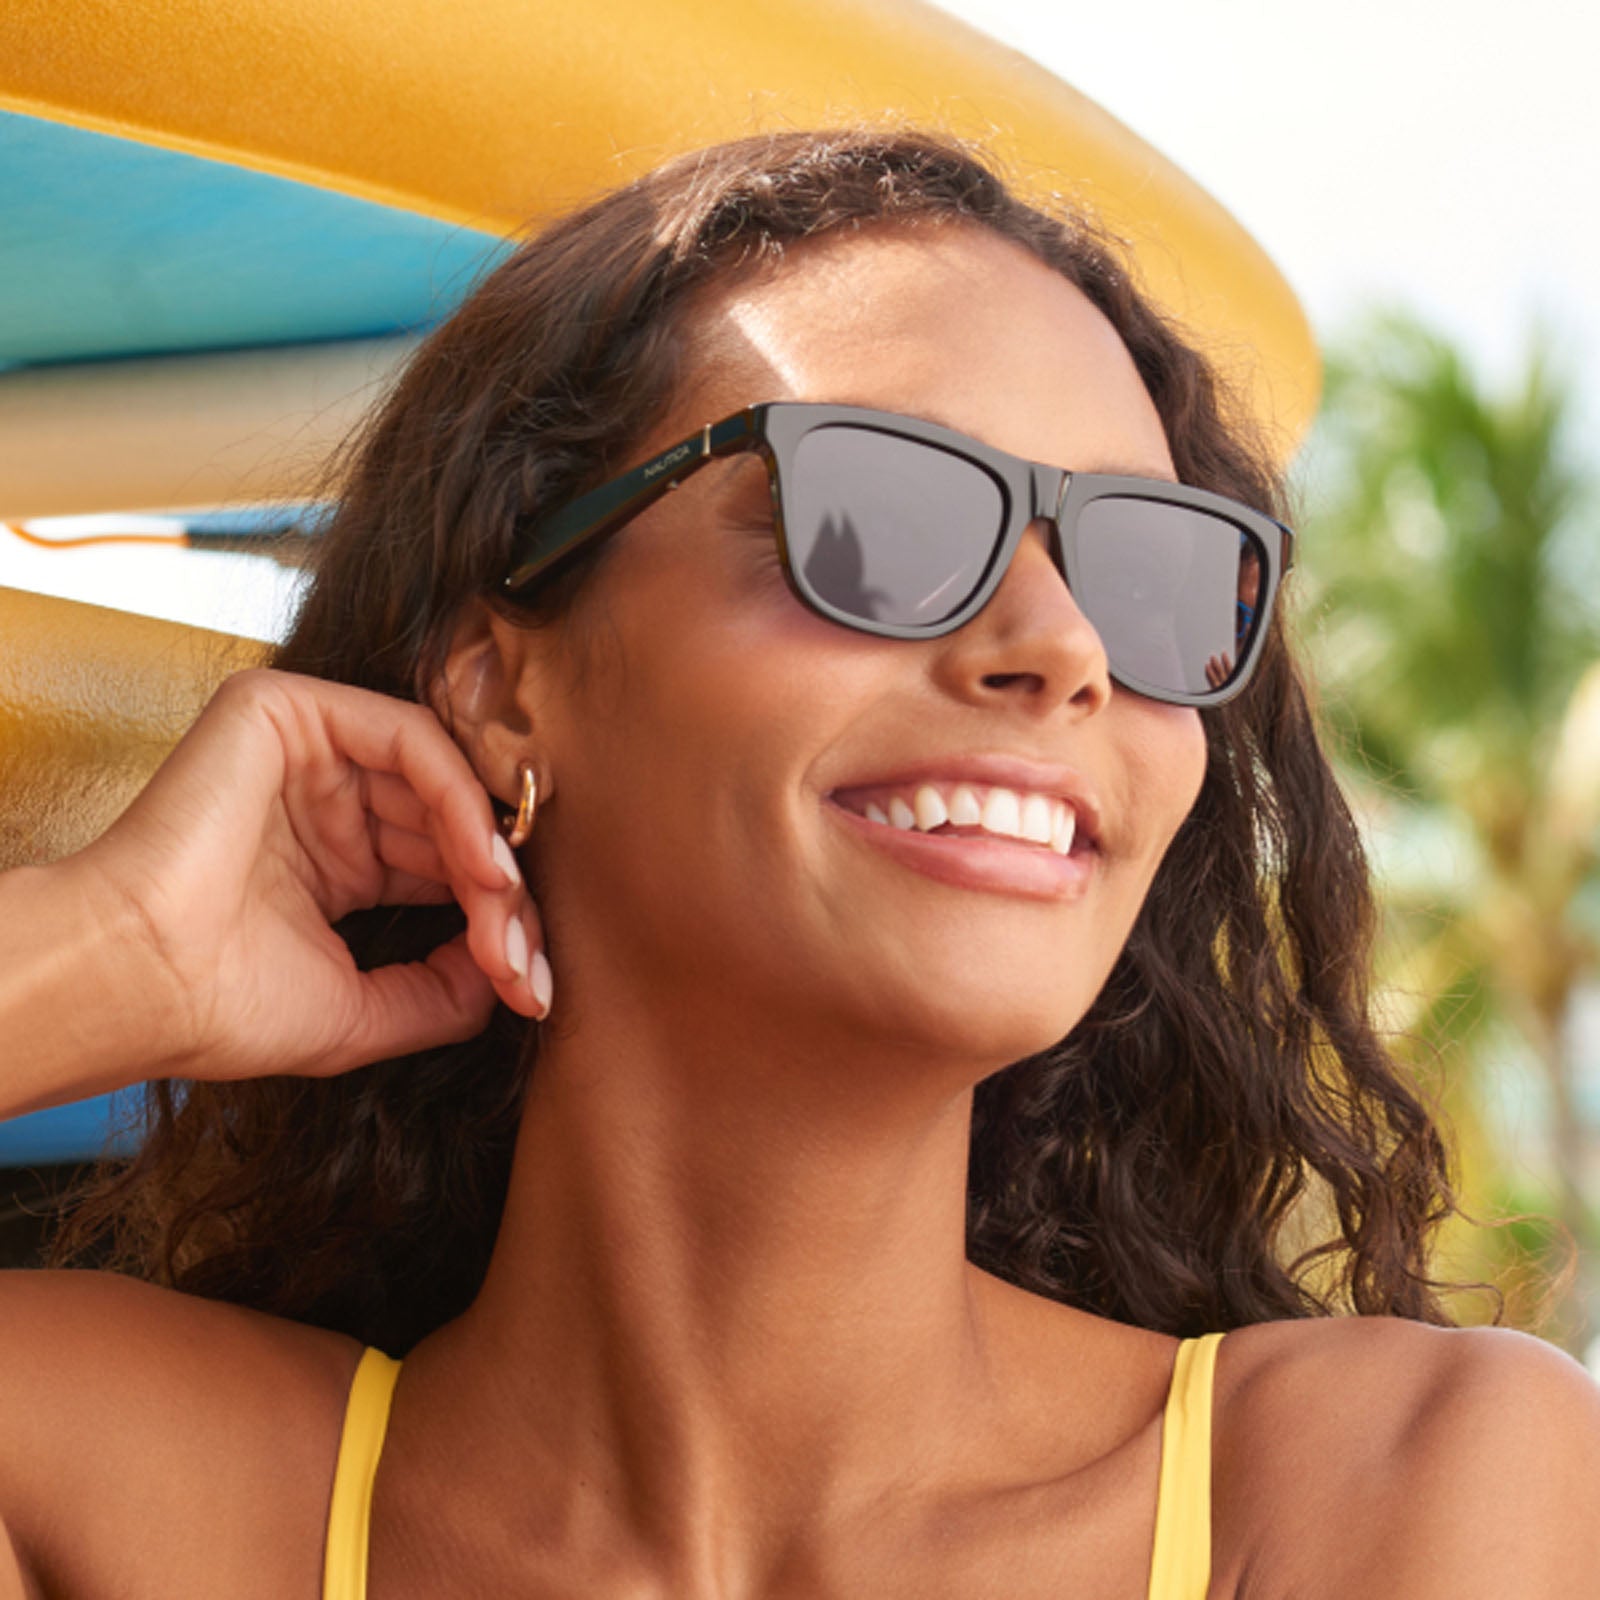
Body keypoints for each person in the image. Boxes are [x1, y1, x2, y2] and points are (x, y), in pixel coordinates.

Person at [2, 128, 1597, 1600]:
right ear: (500, 684)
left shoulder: (1404, 1493)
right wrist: (111, 945)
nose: (1063, 648)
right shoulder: (112, 1489)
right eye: (884, 517)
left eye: (1153, 565)